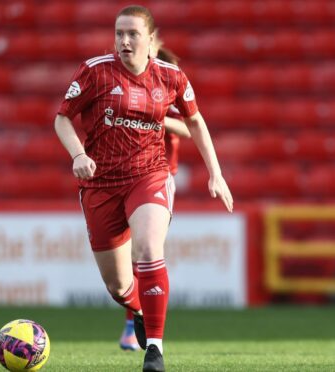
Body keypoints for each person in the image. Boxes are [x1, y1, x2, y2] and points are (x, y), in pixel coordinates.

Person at [54, 5, 233, 371]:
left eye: (132, 34)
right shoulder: (94, 72)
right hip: (100, 185)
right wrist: (77, 155)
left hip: (149, 175)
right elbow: (62, 119)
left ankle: (154, 349)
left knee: (149, 248)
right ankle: (137, 307)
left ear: (151, 41)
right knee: (119, 286)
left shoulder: (171, 77)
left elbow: (196, 122)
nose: (124, 41)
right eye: (119, 33)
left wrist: (216, 172)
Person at [118, 32, 191, 352]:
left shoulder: (168, 77)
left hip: (160, 176)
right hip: (128, 175)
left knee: (145, 251)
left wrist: (154, 116)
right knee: (132, 256)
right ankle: (134, 320)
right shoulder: (125, 81)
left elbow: (189, 126)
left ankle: (136, 328)